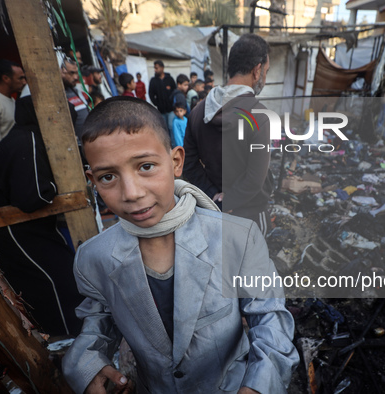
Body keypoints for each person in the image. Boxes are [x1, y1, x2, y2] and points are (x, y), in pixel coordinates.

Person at [61, 96, 298, 394]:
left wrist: (258, 385)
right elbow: (98, 318)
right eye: (108, 176)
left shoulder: (237, 238)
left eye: (145, 166)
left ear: (176, 162)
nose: (131, 193)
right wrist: (87, 362)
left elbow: (270, 318)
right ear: (92, 180)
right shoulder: (93, 258)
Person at [0, 96, 83, 337]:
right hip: (15, 233)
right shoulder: (30, 140)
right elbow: (33, 196)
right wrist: (61, 186)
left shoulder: (22, 137)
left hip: (25, 230)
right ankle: (70, 338)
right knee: (59, 283)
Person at [184, 33, 273, 235]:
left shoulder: (198, 111)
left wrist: (215, 197)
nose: (264, 78)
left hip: (212, 213)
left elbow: (189, 165)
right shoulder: (259, 115)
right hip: (250, 217)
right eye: (266, 71)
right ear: (257, 70)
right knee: (251, 265)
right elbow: (255, 178)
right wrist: (230, 201)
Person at [61, 58, 89, 141]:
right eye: (72, 73)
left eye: (77, 73)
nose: (76, 77)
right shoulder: (56, 95)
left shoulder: (74, 90)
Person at [149, 60, 176, 129]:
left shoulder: (170, 79)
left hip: (171, 110)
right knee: (164, 129)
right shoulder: (153, 81)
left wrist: (173, 103)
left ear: (162, 68)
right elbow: (151, 94)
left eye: (157, 68)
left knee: (171, 127)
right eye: (154, 68)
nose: (155, 70)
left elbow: (175, 91)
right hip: (161, 111)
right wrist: (157, 103)